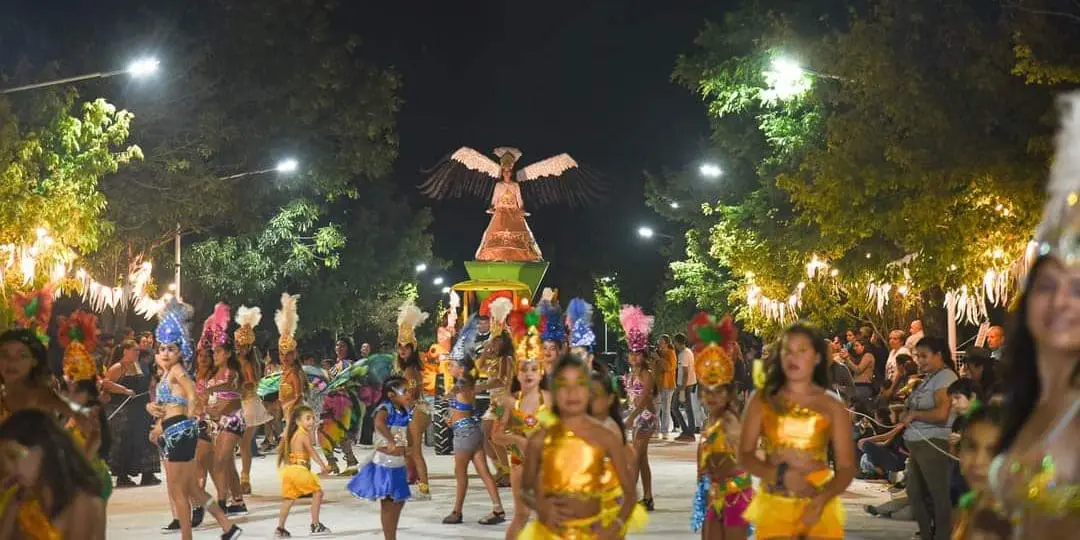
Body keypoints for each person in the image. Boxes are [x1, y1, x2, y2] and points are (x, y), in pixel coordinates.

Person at [738, 322, 853, 539]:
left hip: (818, 509)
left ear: (817, 357)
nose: (793, 357)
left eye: (802, 350)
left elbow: (846, 467)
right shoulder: (762, 400)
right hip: (775, 506)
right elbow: (744, 455)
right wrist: (780, 476)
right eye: (787, 351)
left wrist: (822, 499)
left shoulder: (832, 405)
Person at [518, 354, 644, 539]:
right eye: (563, 385)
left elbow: (630, 494)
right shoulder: (540, 439)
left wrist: (615, 526)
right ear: (553, 390)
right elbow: (525, 489)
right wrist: (541, 507)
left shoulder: (606, 437)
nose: (572, 393)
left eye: (579, 384)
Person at [146, 299, 241, 540]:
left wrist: (188, 416)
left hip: (179, 432)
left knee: (179, 490)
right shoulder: (167, 375)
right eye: (162, 349)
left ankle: (186, 537)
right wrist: (154, 412)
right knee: (191, 489)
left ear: (181, 351)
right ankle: (228, 527)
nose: (165, 354)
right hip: (174, 431)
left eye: (171, 349)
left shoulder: (177, 371)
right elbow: (170, 404)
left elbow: (192, 393)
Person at [687, 312, 751, 540]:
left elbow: (746, 456)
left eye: (717, 391)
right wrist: (702, 488)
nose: (710, 397)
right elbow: (702, 459)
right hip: (711, 493)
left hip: (736, 494)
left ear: (729, 394)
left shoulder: (730, 421)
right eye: (706, 391)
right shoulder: (709, 421)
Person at [0, 409, 106, 539]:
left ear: (43, 448)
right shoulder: (22, 496)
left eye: (14, 456)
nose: (10, 468)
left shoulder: (82, 503)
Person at [492, 315, 550, 540]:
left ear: (541, 372)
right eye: (523, 369)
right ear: (516, 372)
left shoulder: (552, 400)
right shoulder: (505, 402)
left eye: (533, 369)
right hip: (519, 465)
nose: (528, 374)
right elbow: (495, 435)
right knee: (522, 514)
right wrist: (517, 440)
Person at [902, 336, 959, 540]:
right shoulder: (929, 378)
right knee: (914, 493)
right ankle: (927, 534)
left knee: (939, 495)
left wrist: (915, 415)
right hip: (918, 444)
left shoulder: (945, 378)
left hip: (934, 442)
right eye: (918, 356)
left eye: (924, 356)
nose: (920, 361)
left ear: (939, 355)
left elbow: (941, 414)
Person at [442, 352, 506, 525]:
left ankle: (457, 512)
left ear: (462, 369)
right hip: (473, 430)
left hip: (464, 434)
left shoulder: (463, 383)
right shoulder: (467, 384)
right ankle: (497, 508)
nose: (450, 368)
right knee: (484, 472)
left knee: (460, 473)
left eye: (453, 365)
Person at [349, 377, 413, 539]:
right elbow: (379, 423)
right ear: (391, 395)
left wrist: (409, 454)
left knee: (399, 501)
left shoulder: (404, 410)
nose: (408, 394)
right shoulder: (386, 408)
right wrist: (391, 441)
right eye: (404, 391)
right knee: (389, 501)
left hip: (398, 462)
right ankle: (389, 537)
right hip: (386, 464)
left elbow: (407, 433)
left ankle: (391, 536)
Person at [105, 340, 159, 488]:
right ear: (125, 351)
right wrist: (124, 390)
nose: (137, 353)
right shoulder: (118, 367)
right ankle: (123, 476)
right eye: (134, 350)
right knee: (125, 443)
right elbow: (106, 384)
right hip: (125, 411)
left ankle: (147, 475)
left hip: (142, 409)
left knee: (144, 441)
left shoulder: (139, 366)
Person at [952, 402, 1010, 539]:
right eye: (971, 447)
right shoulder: (970, 504)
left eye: (994, 451)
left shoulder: (1021, 522)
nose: (978, 461)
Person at [619, 305, 657, 511]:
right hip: (637, 417)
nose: (634, 357)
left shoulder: (646, 374)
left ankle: (629, 497)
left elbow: (643, 400)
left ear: (643, 355)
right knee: (641, 459)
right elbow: (632, 397)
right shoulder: (631, 373)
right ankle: (648, 497)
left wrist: (631, 416)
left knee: (635, 457)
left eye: (638, 354)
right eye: (631, 354)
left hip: (646, 417)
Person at [394, 301, 431, 499]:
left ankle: (424, 487)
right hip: (415, 411)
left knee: (415, 451)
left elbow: (412, 396)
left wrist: (396, 399)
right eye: (400, 347)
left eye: (406, 348)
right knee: (409, 450)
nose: (402, 351)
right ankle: (416, 480)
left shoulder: (410, 370)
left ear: (413, 349)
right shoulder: (409, 369)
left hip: (416, 411)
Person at [276, 404, 331, 537]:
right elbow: (312, 452)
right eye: (307, 418)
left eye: (312, 418)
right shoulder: (303, 434)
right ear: (298, 421)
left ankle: (280, 528)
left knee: (289, 499)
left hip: (289, 471)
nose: (311, 421)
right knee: (318, 493)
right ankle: (315, 524)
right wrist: (323, 466)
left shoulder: (293, 434)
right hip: (299, 470)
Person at [235, 305, 270, 495]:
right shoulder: (236, 362)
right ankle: (241, 478)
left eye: (241, 346)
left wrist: (239, 388)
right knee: (239, 444)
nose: (238, 348)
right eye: (237, 345)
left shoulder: (248, 363)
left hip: (248, 404)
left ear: (248, 347)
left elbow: (252, 383)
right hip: (237, 405)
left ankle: (244, 479)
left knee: (244, 444)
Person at [673, 333, 699, 442]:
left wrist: (682, 387)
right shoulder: (688, 352)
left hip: (684, 385)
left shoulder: (683, 354)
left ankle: (688, 431)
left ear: (678, 342)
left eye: (674, 342)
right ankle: (688, 431)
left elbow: (685, 372)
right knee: (687, 409)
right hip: (688, 384)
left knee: (675, 407)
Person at [657, 335, 678, 440]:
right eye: (658, 341)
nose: (659, 343)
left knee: (665, 408)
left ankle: (665, 431)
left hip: (668, 384)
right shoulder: (659, 352)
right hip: (659, 384)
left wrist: (659, 359)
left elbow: (670, 367)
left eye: (661, 341)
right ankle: (656, 429)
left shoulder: (671, 353)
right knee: (656, 407)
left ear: (666, 343)